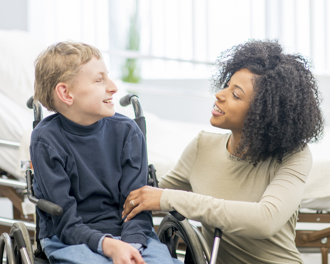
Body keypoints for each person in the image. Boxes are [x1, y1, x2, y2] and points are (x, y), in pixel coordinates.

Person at [122, 40, 324, 264]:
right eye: (227, 85)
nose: (220, 95)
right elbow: (152, 195)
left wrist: (171, 199)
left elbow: (265, 220)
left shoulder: (294, 156)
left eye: (236, 95)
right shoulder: (201, 146)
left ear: (263, 113)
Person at [30, 41, 182, 264]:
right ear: (66, 93)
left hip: (132, 235)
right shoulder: (46, 141)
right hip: (69, 239)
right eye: (99, 80)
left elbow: (137, 207)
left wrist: (129, 248)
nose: (113, 87)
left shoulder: (127, 132)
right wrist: (108, 245)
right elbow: (65, 223)